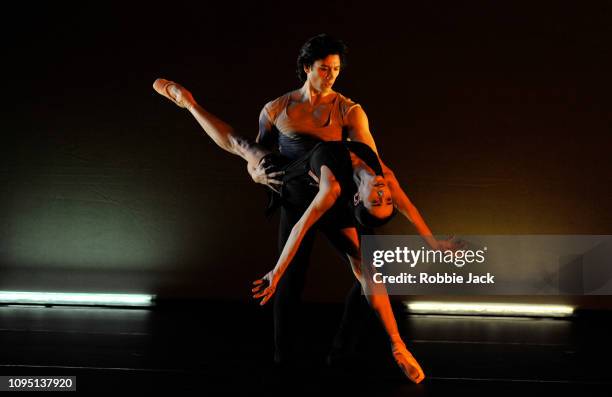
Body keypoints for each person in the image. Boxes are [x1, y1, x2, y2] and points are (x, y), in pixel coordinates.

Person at [153, 77, 462, 383]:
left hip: (301, 184)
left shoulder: (334, 190)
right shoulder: (387, 178)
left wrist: (275, 272)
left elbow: (301, 228)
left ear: (359, 199)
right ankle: (188, 102)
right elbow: (411, 211)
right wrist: (433, 243)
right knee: (245, 148)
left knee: (368, 271)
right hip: (306, 168)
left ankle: (397, 346)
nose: (383, 193)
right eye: (386, 199)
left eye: (376, 200)